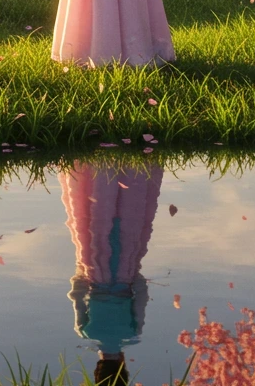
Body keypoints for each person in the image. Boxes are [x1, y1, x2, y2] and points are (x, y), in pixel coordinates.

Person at [59, 161, 165, 386]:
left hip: (125, 272)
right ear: (97, 369)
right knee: (95, 226)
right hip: (96, 272)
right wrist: (81, 272)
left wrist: (135, 277)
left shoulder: (132, 334)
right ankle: (96, 172)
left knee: (129, 226)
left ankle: (132, 169)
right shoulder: (85, 333)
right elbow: (77, 294)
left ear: (123, 367)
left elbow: (141, 296)